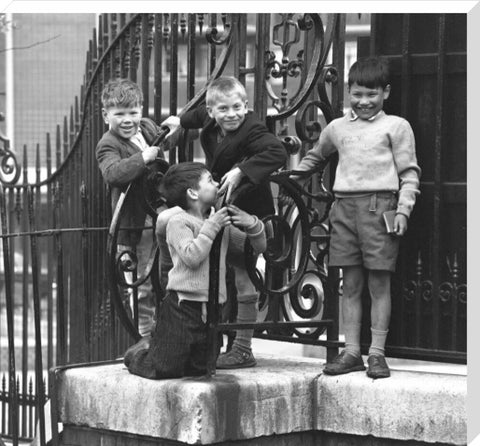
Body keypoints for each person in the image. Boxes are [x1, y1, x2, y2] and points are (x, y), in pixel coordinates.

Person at [292, 57, 421, 379]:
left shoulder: (396, 126)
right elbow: (314, 158)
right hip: (344, 210)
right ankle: (351, 352)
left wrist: (403, 209)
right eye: (358, 94)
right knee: (349, 284)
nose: (364, 101)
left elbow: (409, 174)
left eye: (372, 95)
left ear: (385, 93)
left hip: (380, 209)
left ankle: (376, 354)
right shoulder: (336, 128)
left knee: (379, 283)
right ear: (348, 92)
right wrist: (289, 178)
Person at [161, 76, 287, 369]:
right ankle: (206, 335)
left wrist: (243, 170)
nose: (231, 114)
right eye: (224, 109)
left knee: (244, 277)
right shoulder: (209, 116)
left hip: (250, 214)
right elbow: (194, 116)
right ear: (212, 111)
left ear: (246, 105)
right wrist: (179, 121)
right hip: (222, 211)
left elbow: (278, 151)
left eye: (237, 107)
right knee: (218, 274)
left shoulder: (252, 128)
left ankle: (243, 348)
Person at [123, 162, 267, 379]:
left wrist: (252, 224)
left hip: (212, 311)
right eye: (210, 180)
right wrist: (213, 226)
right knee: (163, 368)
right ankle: (139, 352)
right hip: (182, 308)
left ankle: (160, 347)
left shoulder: (218, 224)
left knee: (200, 368)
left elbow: (256, 249)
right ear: (192, 192)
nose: (217, 184)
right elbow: (191, 256)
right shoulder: (179, 222)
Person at [96, 78, 168, 337]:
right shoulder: (108, 144)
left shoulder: (147, 128)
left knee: (163, 274)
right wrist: (143, 158)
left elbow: (165, 143)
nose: (128, 120)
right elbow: (113, 173)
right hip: (134, 224)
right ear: (106, 116)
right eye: (119, 114)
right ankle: (144, 337)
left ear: (141, 110)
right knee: (141, 284)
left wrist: (175, 128)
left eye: (133, 112)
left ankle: (166, 331)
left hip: (158, 215)